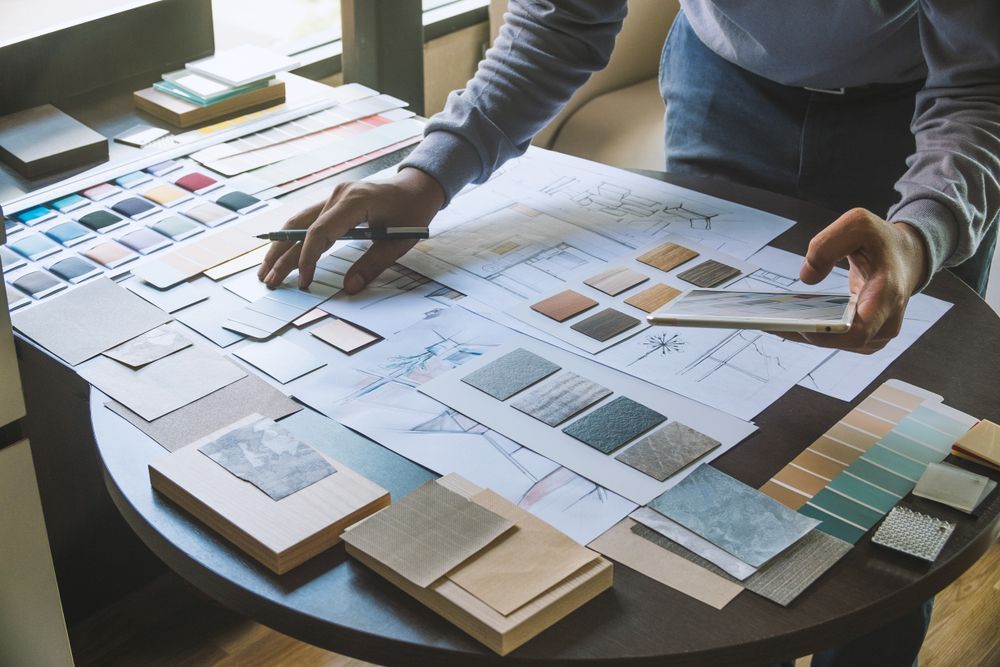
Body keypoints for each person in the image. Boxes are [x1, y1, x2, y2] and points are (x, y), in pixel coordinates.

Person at [258, 2, 997, 664]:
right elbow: (562, 18)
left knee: (899, 481)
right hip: (726, 85)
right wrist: (429, 177)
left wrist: (921, 234)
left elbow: (980, 83)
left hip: (918, 110)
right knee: (714, 439)